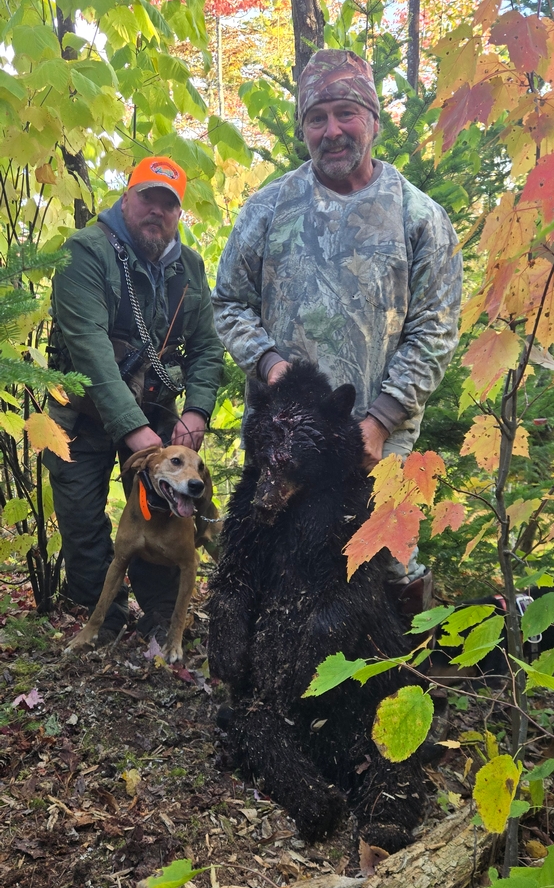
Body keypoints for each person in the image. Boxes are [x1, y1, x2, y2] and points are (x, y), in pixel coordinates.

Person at [212, 49, 463, 610]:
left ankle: (403, 666)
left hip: (381, 438)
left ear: (372, 119)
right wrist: (269, 364)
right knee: (273, 561)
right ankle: (268, 669)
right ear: (303, 127)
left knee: (390, 564)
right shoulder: (267, 209)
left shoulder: (418, 217)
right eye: (316, 117)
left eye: (345, 113)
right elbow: (227, 302)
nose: (332, 131)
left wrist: (381, 420)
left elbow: (436, 330)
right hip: (285, 440)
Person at [46, 155, 223, 642]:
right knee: (82, 523)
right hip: (81, 418)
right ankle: (102, 624)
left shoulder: (189, 267)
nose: (156, 211)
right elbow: (90, 351)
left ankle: (163, 620)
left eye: (169, 204)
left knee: (163, 514)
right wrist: (133, 428)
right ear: (126, 198)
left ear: (178, 213)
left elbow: (207, 348)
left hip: (155, 415)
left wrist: (197, 410)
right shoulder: (85, 251)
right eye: (148, 197)